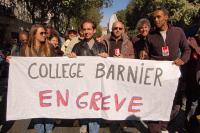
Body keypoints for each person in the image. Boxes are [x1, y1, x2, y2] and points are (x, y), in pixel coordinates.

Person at [139, 7, 191, 133]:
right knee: (156, 106)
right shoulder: (150, 35)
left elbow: (187, 50)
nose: (156, 20)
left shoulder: (178, 32)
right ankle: (155, 129)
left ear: (166, 17)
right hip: (156, 78)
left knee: (175, 106)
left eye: (158, 17)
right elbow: (147, 52)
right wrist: (143, 53)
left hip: (173, 77)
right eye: (154, 18)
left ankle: (163, 126)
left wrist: (183, 60)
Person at [68, 19, 107, 133]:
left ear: (94, 30)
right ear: (81, 31)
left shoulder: (101, 46)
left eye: (89, 29)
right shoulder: (77, 46)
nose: (86, 31)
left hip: (96, 84)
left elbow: (105, 66)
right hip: (82, 84)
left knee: (95, 107)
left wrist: (106, 57)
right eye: (84, 29)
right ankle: (84, 123)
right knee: (84, 104)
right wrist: (71, 58)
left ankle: (94, 129)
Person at [102, 21, 134, 133]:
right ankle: (109, 117)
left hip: (122, 76)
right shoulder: (104, 41)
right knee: (108, 96)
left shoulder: (128, 43)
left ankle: (122, 120)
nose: (118, 30)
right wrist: (103, 56)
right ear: (112, 29)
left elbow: (133, 57)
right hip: (108, 74)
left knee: (122, 98)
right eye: (115, 28)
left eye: (120, 28)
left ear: (123, 29)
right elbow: (99, 54)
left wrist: (124, 57)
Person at [22, 24, 55, 133]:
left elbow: (56, 65)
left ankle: (49, 129)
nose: (45, 35)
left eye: (45, 32)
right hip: (32, 87)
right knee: (36, 110)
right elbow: (21, 67)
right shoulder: (25, 49)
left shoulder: (49, 47)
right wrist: (12, 61)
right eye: (41, 33)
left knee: (48, 108)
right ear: (33, 34)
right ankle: (40, 130)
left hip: (47, 86)